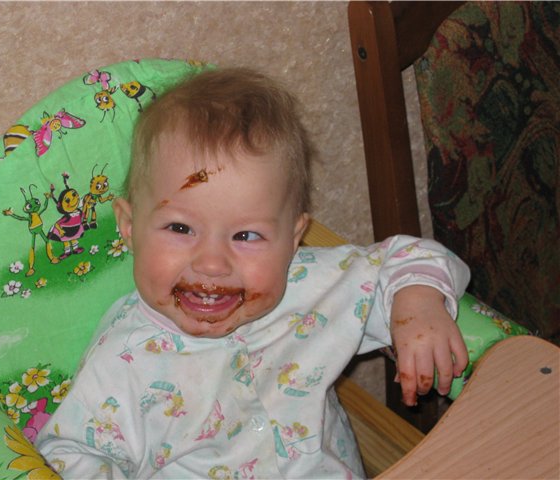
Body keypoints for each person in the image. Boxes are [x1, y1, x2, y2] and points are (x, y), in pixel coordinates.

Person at [36, 68, 470, 479]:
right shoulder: (122, 364)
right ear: (130, 227)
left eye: (246, 235)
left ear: (292, 239)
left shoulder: (312, 286)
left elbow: (405, 258)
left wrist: (417, 304)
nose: (212, 264)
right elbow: (69, 456)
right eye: (180, 228)